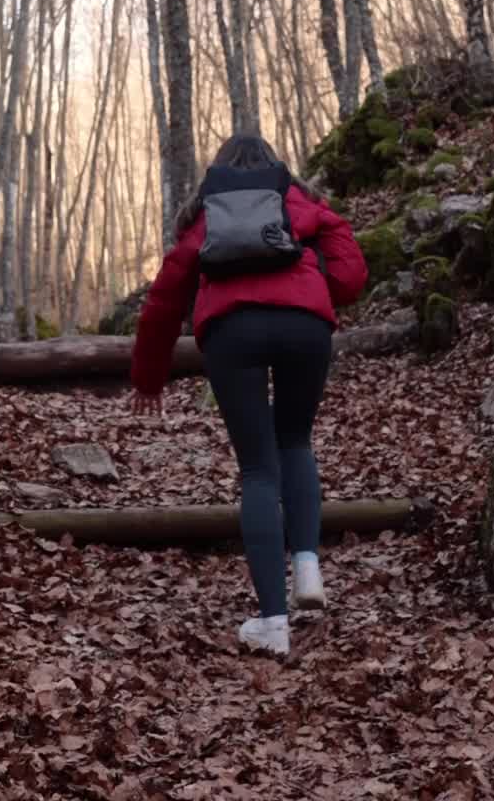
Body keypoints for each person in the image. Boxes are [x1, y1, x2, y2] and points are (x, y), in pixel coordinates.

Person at [130, 134, 368, 656]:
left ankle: (274, 625)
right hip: (305, 327)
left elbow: (165, 297)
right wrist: (312, 287)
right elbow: (352, 272)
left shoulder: (205, 217)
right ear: (277, 167)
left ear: (218, 171)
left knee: (258, 469)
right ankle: (307, 566)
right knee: (296, 442)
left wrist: (150, 376)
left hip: (230, 333)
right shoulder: (301, 204)